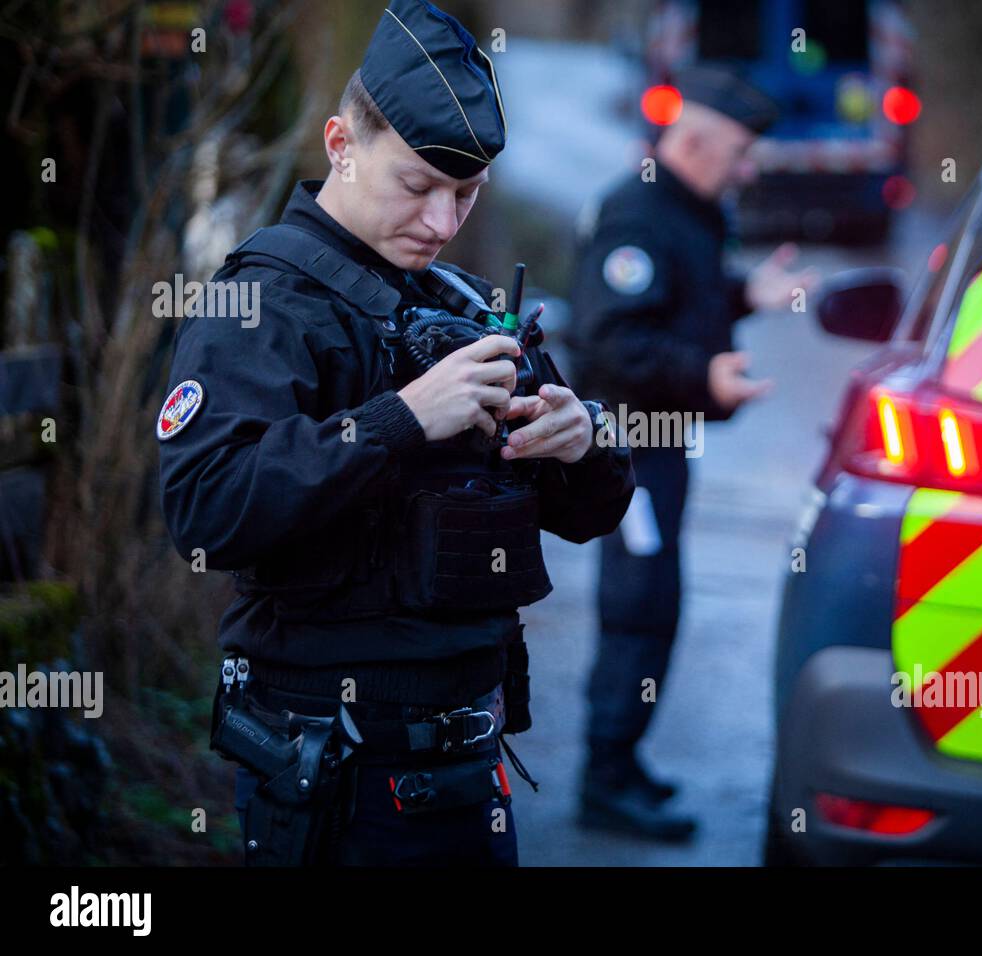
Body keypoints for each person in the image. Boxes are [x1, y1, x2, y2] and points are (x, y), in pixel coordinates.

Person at [157, 0, 632, 867]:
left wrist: (582, 443)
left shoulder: (462, 304)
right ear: (341, 144)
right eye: (418, 187)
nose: (444, 222)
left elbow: (588, 514)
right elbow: (203, 507)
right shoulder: (261, 302)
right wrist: (400, 420)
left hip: (472, 766)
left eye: (468, 193)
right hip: (333, 771)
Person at [569, 65, 819, 841]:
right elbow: (609, 343)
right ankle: (603, 781)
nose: (747, 169)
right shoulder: (636, 214)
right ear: (697, 139)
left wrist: (747, 295)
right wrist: (701, 373)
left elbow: (679, 297)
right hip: (630, 450)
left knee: (659, 605)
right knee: (637, 609)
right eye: (740, 151)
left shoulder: (691, 208)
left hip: (664, 445)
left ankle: (624, 759)